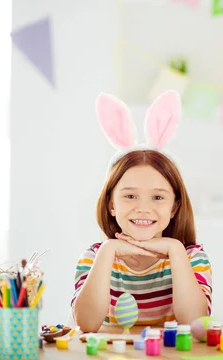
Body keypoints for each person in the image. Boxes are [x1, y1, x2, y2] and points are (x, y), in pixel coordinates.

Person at [72, 90, 213, 332]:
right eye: (129, 196)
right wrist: (108, 251)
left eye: (158, 197)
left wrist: (175, 250)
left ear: (174, 207)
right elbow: (86, 323)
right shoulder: (95, 257)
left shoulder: (191, 258)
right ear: (111, 204)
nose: (143, 208)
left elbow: (195, 323)